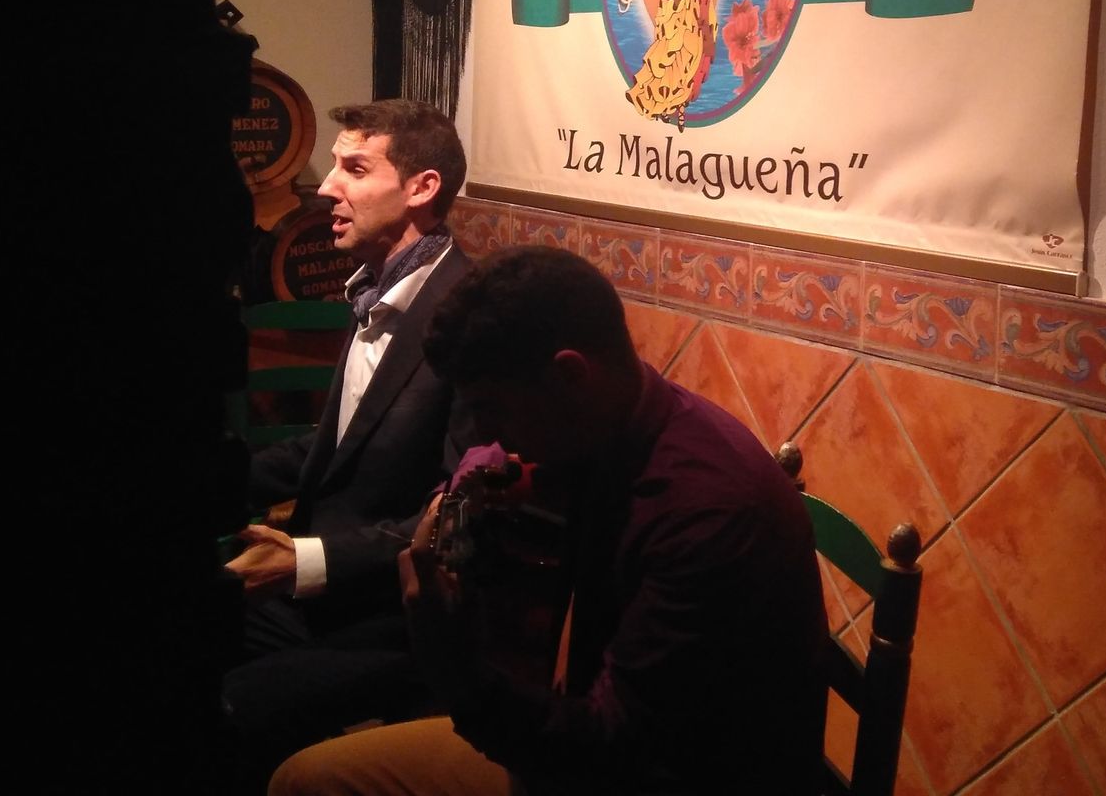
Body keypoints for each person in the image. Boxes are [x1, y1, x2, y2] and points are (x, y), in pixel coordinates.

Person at [269, 246, 829, 796]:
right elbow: (487, 462)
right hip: (594, 740)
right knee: (306, 778)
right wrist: (461, 498)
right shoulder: (616, 420)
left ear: (569, 376)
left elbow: (607, 753)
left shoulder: (706, 513)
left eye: (492, 408)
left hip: (669, 774)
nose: (488, 434)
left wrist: (452, 667)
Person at [223, 98, 473, 791]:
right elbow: (331, 447)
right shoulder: (378, 288)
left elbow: (456, 519)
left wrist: (304, 559)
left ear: (421, 188)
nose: (327, 187)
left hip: (394, 621)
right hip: (318, 602)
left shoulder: (468, 320)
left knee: (231, 712)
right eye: (333, 165)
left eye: (353, 169)